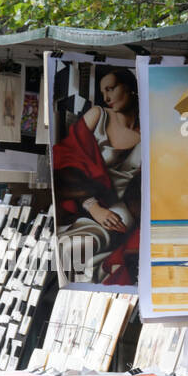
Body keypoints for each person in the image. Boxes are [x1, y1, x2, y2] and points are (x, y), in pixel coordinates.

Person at [51, 66, 141, 284]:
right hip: (82, 201)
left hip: (118, 209)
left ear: (129, 88)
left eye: (111, 89)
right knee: (61, 251)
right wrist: (92, 206)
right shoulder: (98, 116)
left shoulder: (149, 131)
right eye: (103, 93)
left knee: (76, 250)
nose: (107, 97)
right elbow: (66, 160)